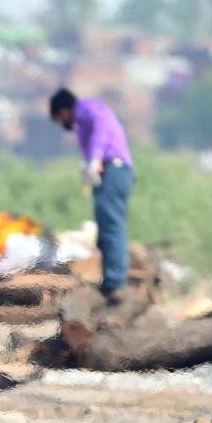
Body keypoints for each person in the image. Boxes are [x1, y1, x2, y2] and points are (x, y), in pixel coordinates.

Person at [49, 87, 135, 300]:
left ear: (63, 111)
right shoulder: (81, 122)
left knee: (111, 227)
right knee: (105, 228)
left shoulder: (90, 108)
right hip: (107, 173)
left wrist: (95, 158)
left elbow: (101, 129)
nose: (63, 123)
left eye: (60, 118)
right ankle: (110, 281)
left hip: (113, 170)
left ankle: (115, 284)